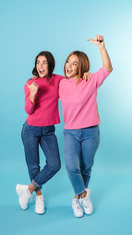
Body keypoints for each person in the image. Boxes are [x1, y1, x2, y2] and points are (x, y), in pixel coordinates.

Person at [59, 35, 113, 218]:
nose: (69, 65)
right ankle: (84, 195)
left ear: (81, 66)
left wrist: (101, 47)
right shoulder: (60, 83)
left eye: (74, 63)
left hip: (91, 132)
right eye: (68, 61)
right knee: (71, 167)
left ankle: (76, 198)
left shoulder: (90, 80)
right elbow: (45, 79)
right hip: (71, 133)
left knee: (86, 167)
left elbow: (107, 68)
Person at [16, 51, 63, 215]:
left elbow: (73, 83)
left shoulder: (58, 80)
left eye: (44, 62)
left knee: (54, 165)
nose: (40, 66)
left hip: (48, 130)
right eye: (38, 62)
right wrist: (33, 94)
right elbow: (28, 109)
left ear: (50, 65)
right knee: (34, 165)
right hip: (30, 129)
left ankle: (27, 190)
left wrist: (85, 74)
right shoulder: (30, 83)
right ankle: (38, 195)